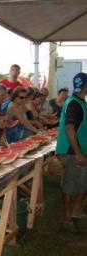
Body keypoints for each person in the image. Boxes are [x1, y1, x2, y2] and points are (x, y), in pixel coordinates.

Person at [56, 72, 87, 227]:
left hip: (80, 149)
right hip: (72, 151)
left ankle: (77, 208)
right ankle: (68, 215)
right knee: (69, 183)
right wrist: (78, 153)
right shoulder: (74, 103)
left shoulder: (80, 102)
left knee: (82, 181)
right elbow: (69, 128)